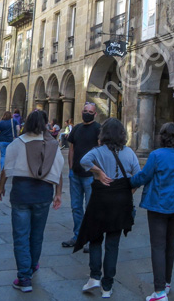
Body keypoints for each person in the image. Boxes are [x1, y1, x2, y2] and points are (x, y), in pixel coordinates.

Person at [0, 110, 64, 293]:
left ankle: (24, 278)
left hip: (22, 193)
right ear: (44, 124)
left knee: (20, 236)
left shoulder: (18, 143)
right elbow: (59, 171)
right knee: (37, 234)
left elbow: (6, 168)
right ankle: (33, 265)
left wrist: (1, 187)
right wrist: (58, 193)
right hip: (43, 193)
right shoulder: (53, 144)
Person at [130, 122, 174, 301]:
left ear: (162, 137)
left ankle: (159, 292)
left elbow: (144, 176)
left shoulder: (156, 155)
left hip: (158, 205)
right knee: (170, 243)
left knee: (158, 246)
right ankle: (166, 282)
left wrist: (128, 183)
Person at [75, 118, 140, 299]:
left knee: (95, 238)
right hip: (121, 201)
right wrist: (129, 192)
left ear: (103, 134)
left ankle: (94, 276)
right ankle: (107, 285)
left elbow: (83, 161)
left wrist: (98, 172)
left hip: (100, 199)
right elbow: (138, 176)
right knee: (113, 243)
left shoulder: (98, 151)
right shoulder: (129, 153)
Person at [62, 102, 101, 250]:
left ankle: (90, 238)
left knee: (90, 207)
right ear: (81, 111)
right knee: (76, 207)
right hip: (76, 174)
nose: (87, 113)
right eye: (85, 111)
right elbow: (71, 148)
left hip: (90, 176)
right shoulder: (77, 128)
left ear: (95, 114)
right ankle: (78, 235)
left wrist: (97, 171)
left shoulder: (98, 129)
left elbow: (100, 149)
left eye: (90, 112)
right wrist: (71, 167)